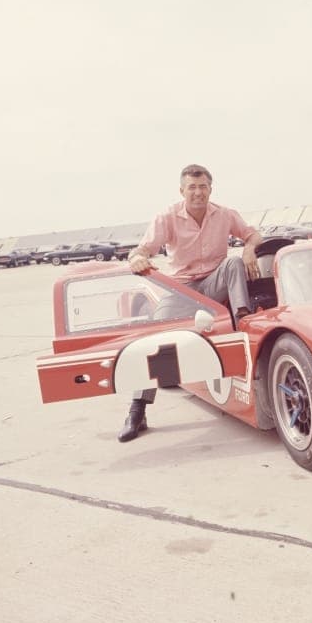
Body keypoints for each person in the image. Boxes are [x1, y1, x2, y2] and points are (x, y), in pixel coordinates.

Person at [118, 163, 263, 442]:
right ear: (182, 191)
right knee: (152, 340)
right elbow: (143, 249)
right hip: (181, 289)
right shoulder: (167, 217)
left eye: (203, 187)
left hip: (213, 283)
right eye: (192, 187)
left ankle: (242, 321)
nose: (198, 192)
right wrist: (136, 257)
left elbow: (253, 234)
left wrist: (248, 248)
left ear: (210, 188)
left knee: (233, 263)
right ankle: (137, 410)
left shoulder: (225, 214)